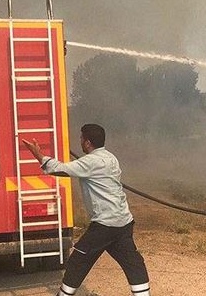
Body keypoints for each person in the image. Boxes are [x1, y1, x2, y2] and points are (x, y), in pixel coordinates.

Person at [22, 124, 150, 296]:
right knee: (132, 262)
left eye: (81, 138)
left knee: (78, 260)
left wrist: (38, 154)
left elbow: (60, 169)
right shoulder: (110, 157)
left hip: (105, 224)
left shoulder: (91, 162)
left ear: (88, 142)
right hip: (123, 222)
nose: (80, 141)